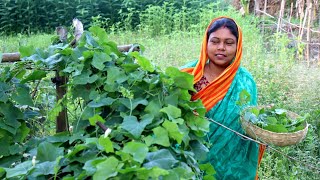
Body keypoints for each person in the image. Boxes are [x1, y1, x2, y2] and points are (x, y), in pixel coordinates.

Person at [181, 16, 265, 179]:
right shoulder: (189, 75)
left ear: (237, 46)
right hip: (193, 159)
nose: (221, 48)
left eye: (229, 43)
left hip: (232, 166)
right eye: (215, 41)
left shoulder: (245, 82)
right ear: (206, 43)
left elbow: (249, 125)